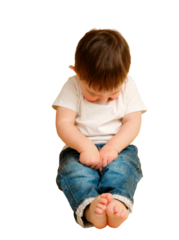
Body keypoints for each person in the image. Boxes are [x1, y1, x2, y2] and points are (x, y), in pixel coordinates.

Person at [52, 26, 148, 230]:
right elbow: (63, 124)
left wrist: (113, 147)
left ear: (126, 72)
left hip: (119, 147)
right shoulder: (72, 84)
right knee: (75, 173)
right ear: (76, 72)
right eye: (94, 94)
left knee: (123, 169)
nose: (103, 99)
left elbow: (133, 123)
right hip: (78, 148)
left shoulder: (129, 84)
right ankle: (90, 207)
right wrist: (85, 147)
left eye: (112, 94)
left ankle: (117, 202)